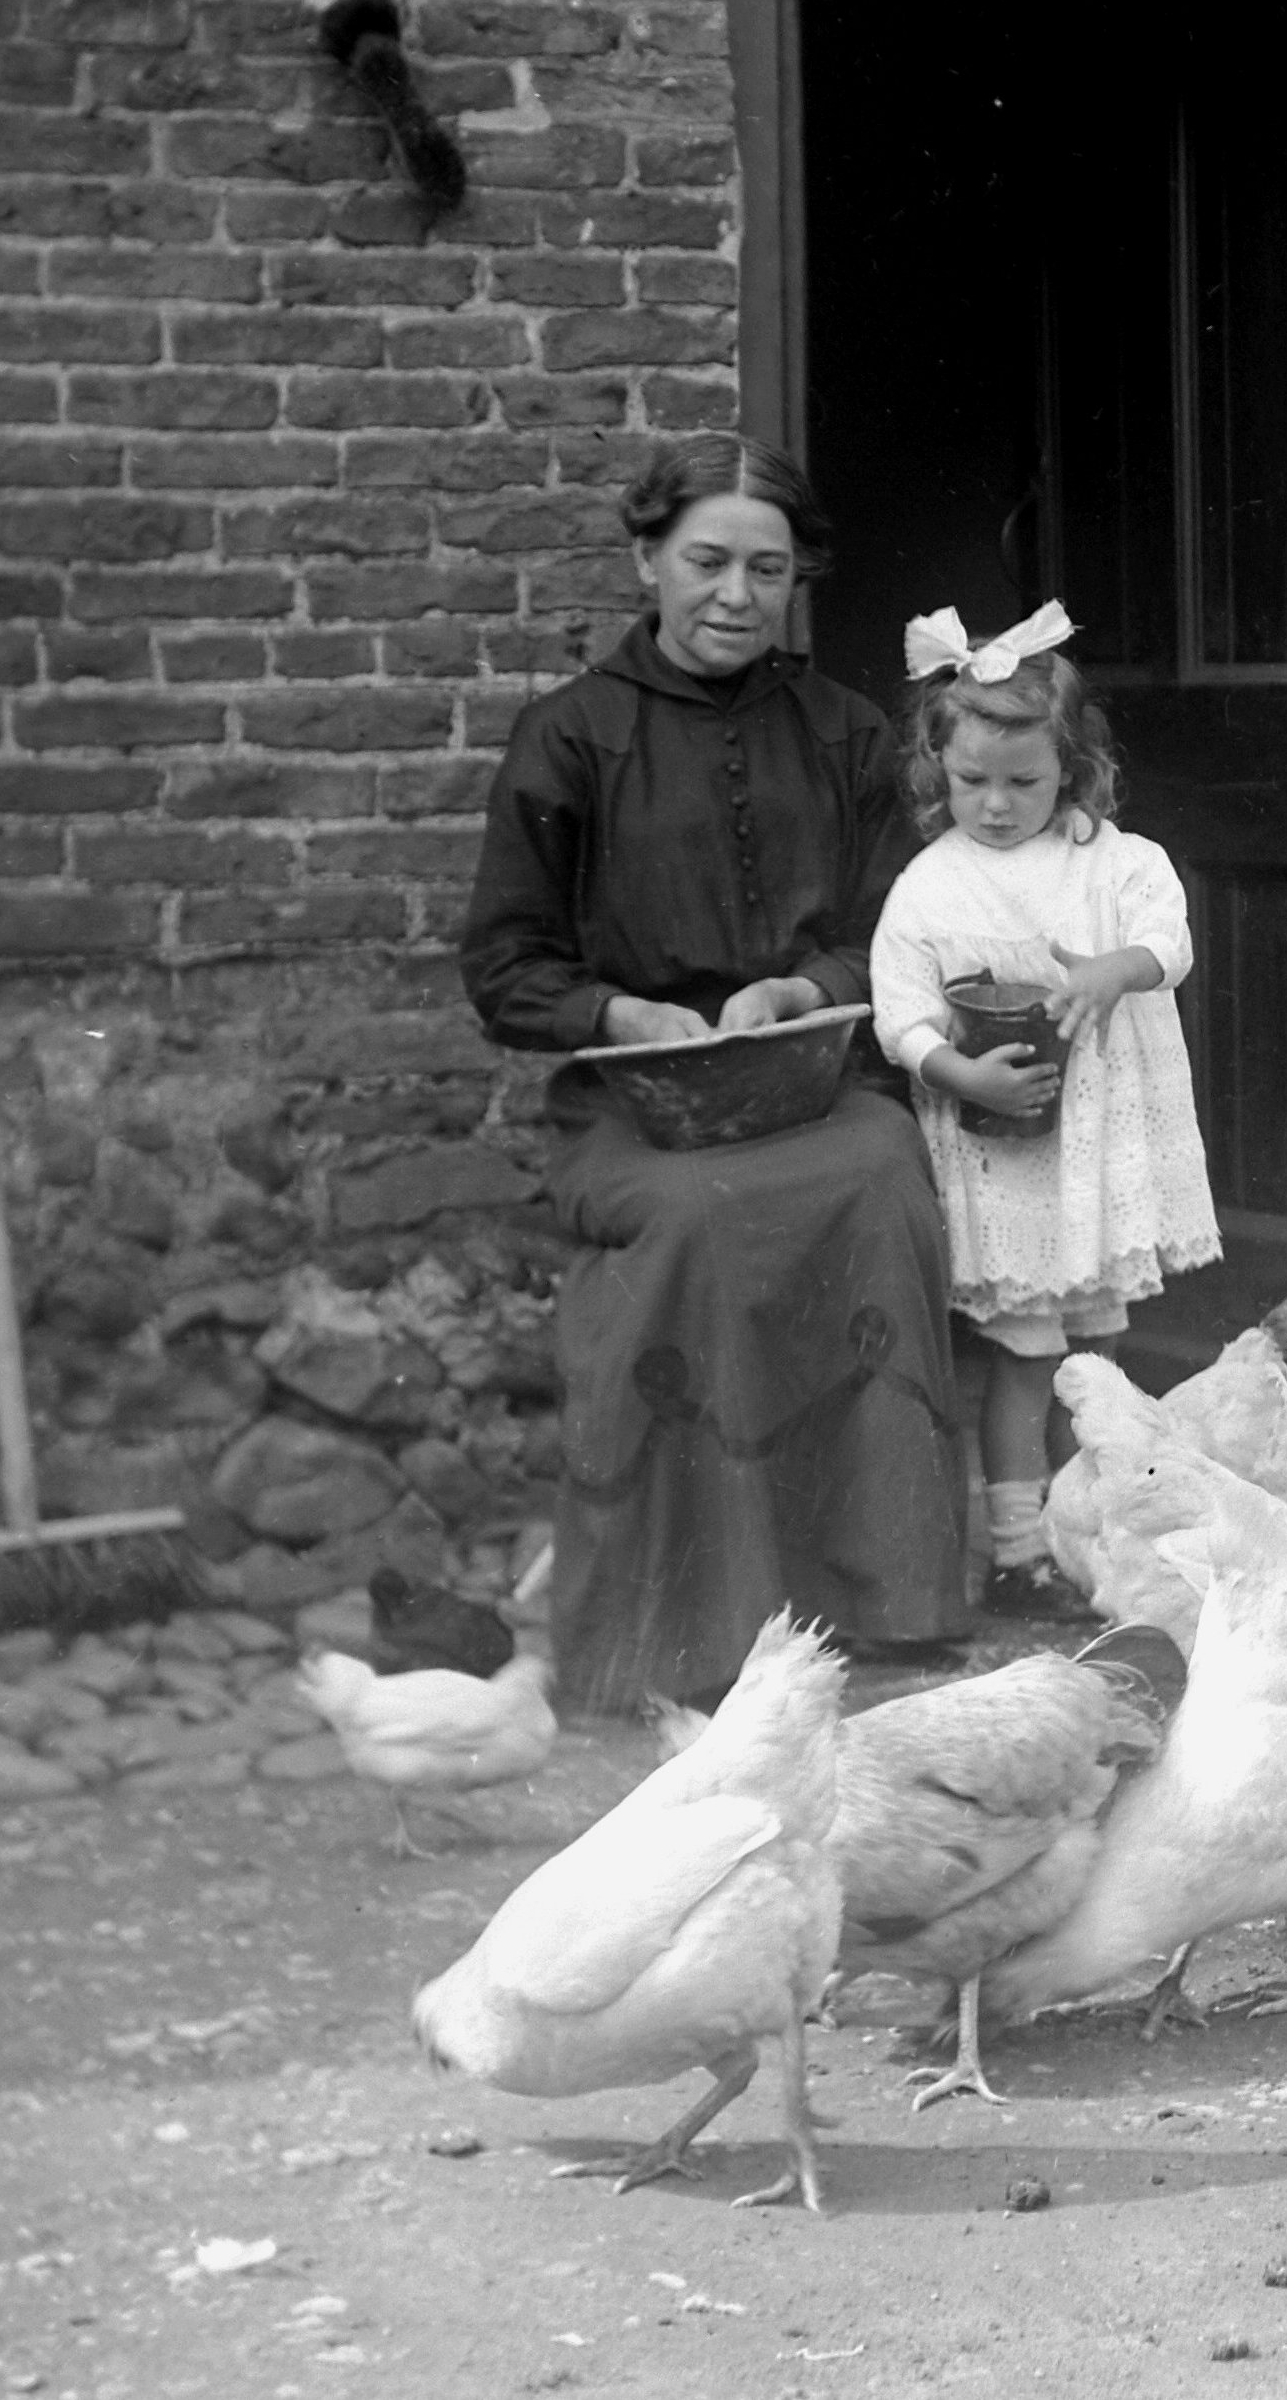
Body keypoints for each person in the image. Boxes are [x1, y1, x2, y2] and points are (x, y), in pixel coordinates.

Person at [457, 435, 967, 1713]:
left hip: (806, 1085)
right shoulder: (569, 737)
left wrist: (806, 987)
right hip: (633, 1107)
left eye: (767, 568)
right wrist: (622, 1010)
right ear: (647, 561)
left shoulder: (844, 732)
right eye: (706, 562)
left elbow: (898, 924)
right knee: (691, 1220)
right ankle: (680, 1631)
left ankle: (879, 1600)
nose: (736, 594)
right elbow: (506, 967)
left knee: (882, 1176)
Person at [869, 604, 1223, 1616]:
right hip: (1010, 1164)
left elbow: (1172, 940)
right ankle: (1018, 1551)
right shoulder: (930, 886)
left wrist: (1117, 967)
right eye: (971, 782)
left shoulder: (1114, 862)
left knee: (1094, 1360)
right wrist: (956, 1071)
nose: (994, 804)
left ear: (1070, 768)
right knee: (1024, 1361)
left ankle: (1095, 1535)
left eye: (1022, 782)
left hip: (1093, 1159)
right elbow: (901, 1011)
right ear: (939, 772)